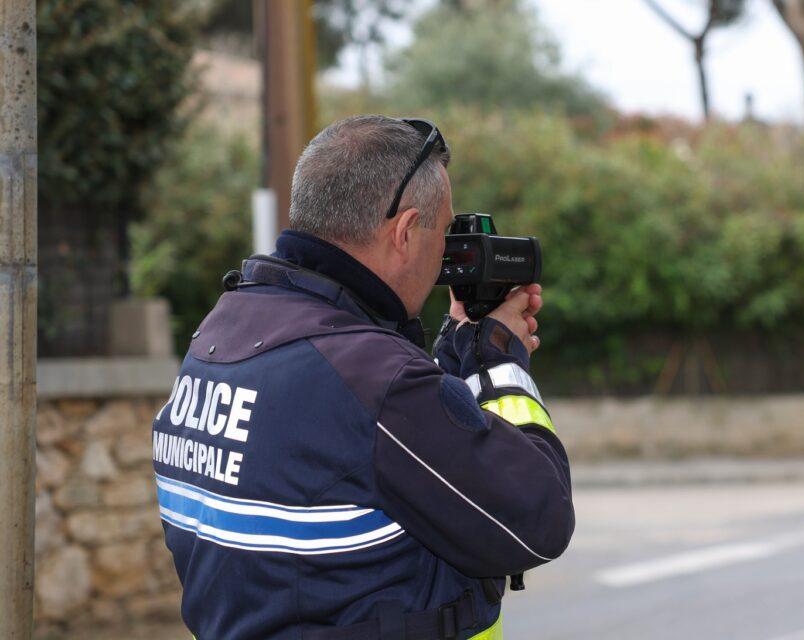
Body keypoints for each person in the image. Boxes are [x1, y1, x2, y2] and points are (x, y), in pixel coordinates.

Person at [151, 115, 574, 639]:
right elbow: (538, 519)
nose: (447, 257)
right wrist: (498, 365)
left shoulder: (221, 334)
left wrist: (452, 355)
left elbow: (353, 459)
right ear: (405, 232)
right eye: (444, 233)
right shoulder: (376, 382)